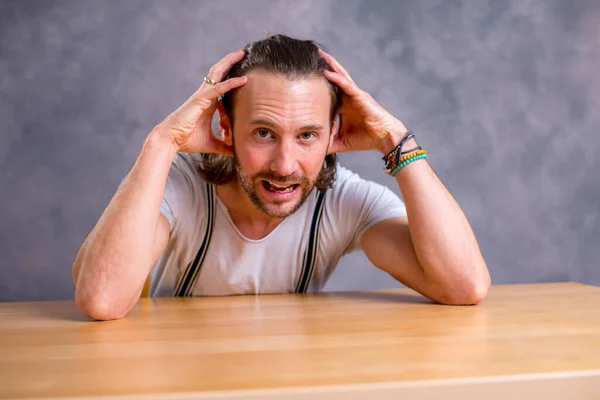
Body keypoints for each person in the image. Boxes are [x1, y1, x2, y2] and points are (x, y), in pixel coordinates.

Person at [72, 34, 490, 321]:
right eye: (263, 133)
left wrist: (395, 140)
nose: (285, 164)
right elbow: (102, 298)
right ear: (226, 126)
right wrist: (161, 143)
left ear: (333, 132)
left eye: (307, 135)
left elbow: (463, 285)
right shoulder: (181, 189)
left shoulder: (343, 202)